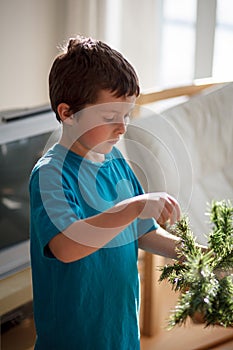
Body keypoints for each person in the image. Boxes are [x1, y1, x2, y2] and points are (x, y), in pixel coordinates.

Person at [29, 35, 182, 350]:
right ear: (68, 113)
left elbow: (142, 231)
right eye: (111, 117)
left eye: (126, 116)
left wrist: (197, 255)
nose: (123, 127)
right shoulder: (50, 174)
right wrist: (134, 206)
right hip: (72, 340)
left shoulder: (114, 161)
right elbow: (67, 246)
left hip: (121, 335)